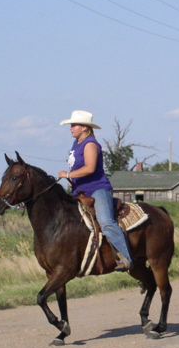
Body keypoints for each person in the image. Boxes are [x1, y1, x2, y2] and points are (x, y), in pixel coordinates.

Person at [57, 110, 134, 272]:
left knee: (106, 222)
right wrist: (74, 181)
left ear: (84, 127)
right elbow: (79, 168)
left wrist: (68, 175)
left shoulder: (90, 144)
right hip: (79, 191)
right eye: (71, 125)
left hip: (97, 189)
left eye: (74, 125)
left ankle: (126, 258)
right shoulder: (77, 143)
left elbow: (90, 168)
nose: (71, 128)